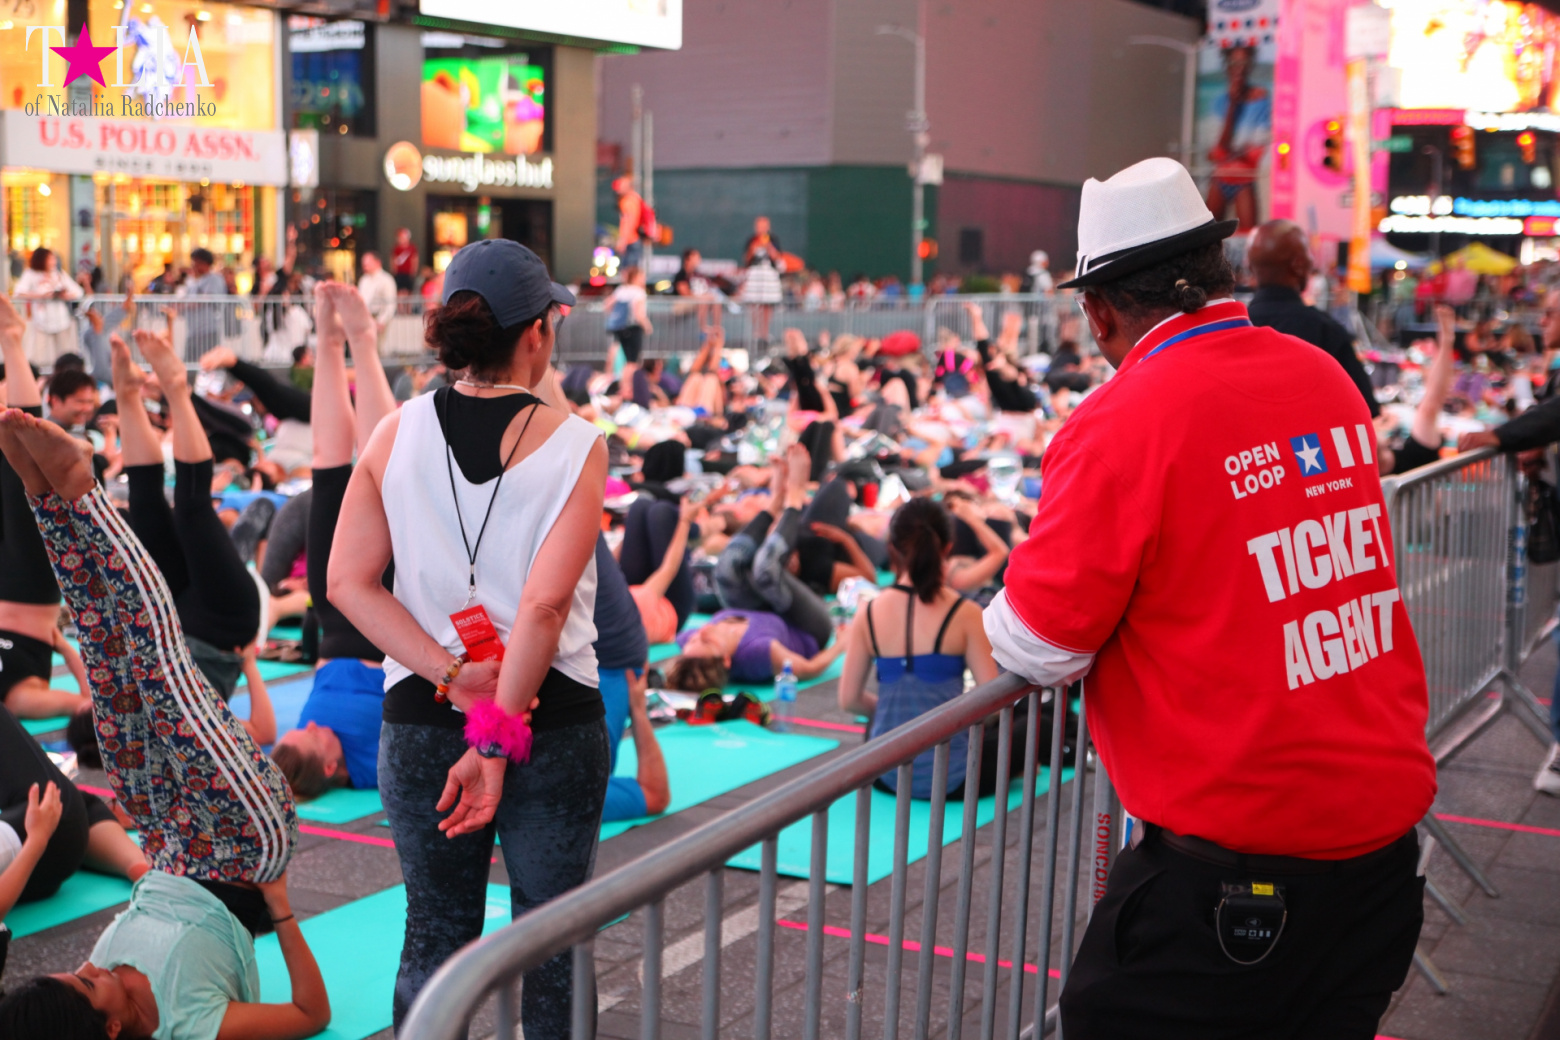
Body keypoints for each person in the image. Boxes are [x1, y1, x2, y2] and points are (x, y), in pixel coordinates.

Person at [983, 157, 1434, 1039]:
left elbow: (1035, 645)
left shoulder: (1121, 421)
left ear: (1099, 310)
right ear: (1219, 273)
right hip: (1378, 854)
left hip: (1237, 874)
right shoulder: (1323, 377)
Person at [328, 238, 608, 1035]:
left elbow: (348, 581)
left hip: (421, 716)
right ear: (538, 334)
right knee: (551, 946)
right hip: (548, 723)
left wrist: (452, 677)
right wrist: (491, 741)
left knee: (436, 938)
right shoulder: (576, 445)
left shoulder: (394, 434)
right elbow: (545, 611)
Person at [0, 407, 329, 1040]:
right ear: (115, 1030)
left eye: (77, 974)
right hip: (246, 843)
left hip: (166, 836)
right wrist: (283, 912)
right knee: (156, 658)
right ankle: (82, 494)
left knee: (107, 660)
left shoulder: (84, 997)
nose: (98, 969)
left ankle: (46, 502)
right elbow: (311, 1016)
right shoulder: (187, 1021)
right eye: (94, 984)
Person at [271, 283, 395, 800]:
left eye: (304, 725)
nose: (316, 723)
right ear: (330, 767)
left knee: (327, 463)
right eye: (315, 734)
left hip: (331, 612)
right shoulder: (369, 768)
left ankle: (328, 342)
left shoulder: (296, 750)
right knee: (380, 459)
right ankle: (363, 340)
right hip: (382, 615)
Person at [837, 498, 1002, 798]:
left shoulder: (869, 613)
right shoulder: (965, 613)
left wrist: (898, 712)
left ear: (892, 547)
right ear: (948, 547)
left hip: (886, 775)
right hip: (954, 779)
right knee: (1032, 725)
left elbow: (849, 700)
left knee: (880, 725)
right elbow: (990, 705)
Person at [668, 446, 845, 691]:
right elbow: (808, 668)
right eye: (707, 641)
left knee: (726, 569)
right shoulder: (757, 654)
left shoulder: (690, 643)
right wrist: (842, 644)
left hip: (760, 610)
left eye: (696, 637)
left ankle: (774, 504)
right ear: (727, 660)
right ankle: (795, 497)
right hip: (805, 625)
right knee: (765, 571)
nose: (702, 631)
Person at [0, 297, 90, 720]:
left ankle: (13, 344)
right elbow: (89, 702)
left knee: (10, 457)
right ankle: (13, 342)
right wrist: (61, 644)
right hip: (31, 589)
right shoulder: (21, 700)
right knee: (20, 458)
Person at [0, 705, 147, 930]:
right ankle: (140, 865)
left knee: (64, 803)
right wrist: (36, 841)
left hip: (44, 863)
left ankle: (139, 865)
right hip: (46, 843)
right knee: (56, 803)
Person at [1247, 220, 1380, 419]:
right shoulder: (1325, 331)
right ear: (1298, 265)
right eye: (1309, 254)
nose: (1312, 262)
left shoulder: (1230, 328)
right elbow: (1366, 408)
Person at [1204, 44, 1270, 231]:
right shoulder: (1220, 102)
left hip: (1244, 179)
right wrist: (1233, 105)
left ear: (1250, 65)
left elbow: (1256, 153)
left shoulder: (1261, 99)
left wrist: (1228, 153)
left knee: (1248, 237)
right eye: (1234, 62)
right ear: (1227, 66)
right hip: (1220, 178)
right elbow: (1215, 152)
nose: (1239, 67)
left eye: (1244, 62)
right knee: (1209, 236)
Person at [12, 249, 83, 364]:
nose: (54, 261)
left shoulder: (59, 273)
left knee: (64, 355)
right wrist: (40, 296)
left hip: (61, 320)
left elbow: (78, 292)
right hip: (41, 322)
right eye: (50, 258)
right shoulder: (31, 274)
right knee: (39, 357)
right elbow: (18, 293)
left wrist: (64, 295)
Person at [605, 266, 654, 405]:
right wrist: (647, 326)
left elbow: (608, 304)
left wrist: (614, 318)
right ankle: (628, 389)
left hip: (620, 328)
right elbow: (639, 313)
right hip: (633, 328)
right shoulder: (639, 292)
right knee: (632, 362)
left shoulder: (621, 290)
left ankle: (623, 387)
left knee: (627, 360)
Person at [742, 216, 785, 344]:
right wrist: (753, 248)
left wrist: (769, 247)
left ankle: (765, 333)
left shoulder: (773, 240)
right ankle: (756, 331)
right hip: (755, 275)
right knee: (754, 304)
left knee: (767, 304)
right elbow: (746, 259)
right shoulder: (751, 240)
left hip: (768, 276)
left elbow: (778, 258)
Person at [183, 248, 228, 357]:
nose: (193, 265)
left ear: (205, 263)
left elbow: (209, 299)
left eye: (196, 262)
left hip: (208, 330)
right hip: (193, 331)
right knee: (190, 363)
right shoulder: (193, 281)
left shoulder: (215, 279)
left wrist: (191, 303)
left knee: (207, 364)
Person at [358, 251, 399, 344]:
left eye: (368, 262)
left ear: (377, 262)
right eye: (364, 263)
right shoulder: (364, 280)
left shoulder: (386, 280)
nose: (365, 265)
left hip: (379, 319)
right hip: (365, 320)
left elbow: (391, 303)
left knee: (379, 349)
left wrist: (382, 321)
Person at [614, 175, 647, 268]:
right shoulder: (636, 198)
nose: (618, 189)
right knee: (632, 270)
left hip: (630, 241)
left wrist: (622, 241)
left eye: (621, 185)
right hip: (636, 239)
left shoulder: (627, 202)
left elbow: (628, 222)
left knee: (628, 272)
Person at [391, 228, 418, 294]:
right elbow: (393, 260)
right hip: (399, 274)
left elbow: (415, 260)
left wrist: (413, 271)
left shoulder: (412, 248)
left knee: (409, 291)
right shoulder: (396, 248)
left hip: (408, 274)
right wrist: (394, 271)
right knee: (399, 291)